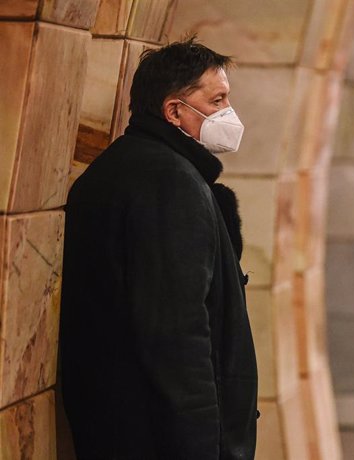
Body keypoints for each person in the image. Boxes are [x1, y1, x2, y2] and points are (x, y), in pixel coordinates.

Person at [59, 38, 258, 458]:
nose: (228, 113)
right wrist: (204, 447)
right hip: (157, 438)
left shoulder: (130, 168)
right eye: (217, 99)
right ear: (174, 111)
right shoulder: (167, 185)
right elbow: (177, 335)